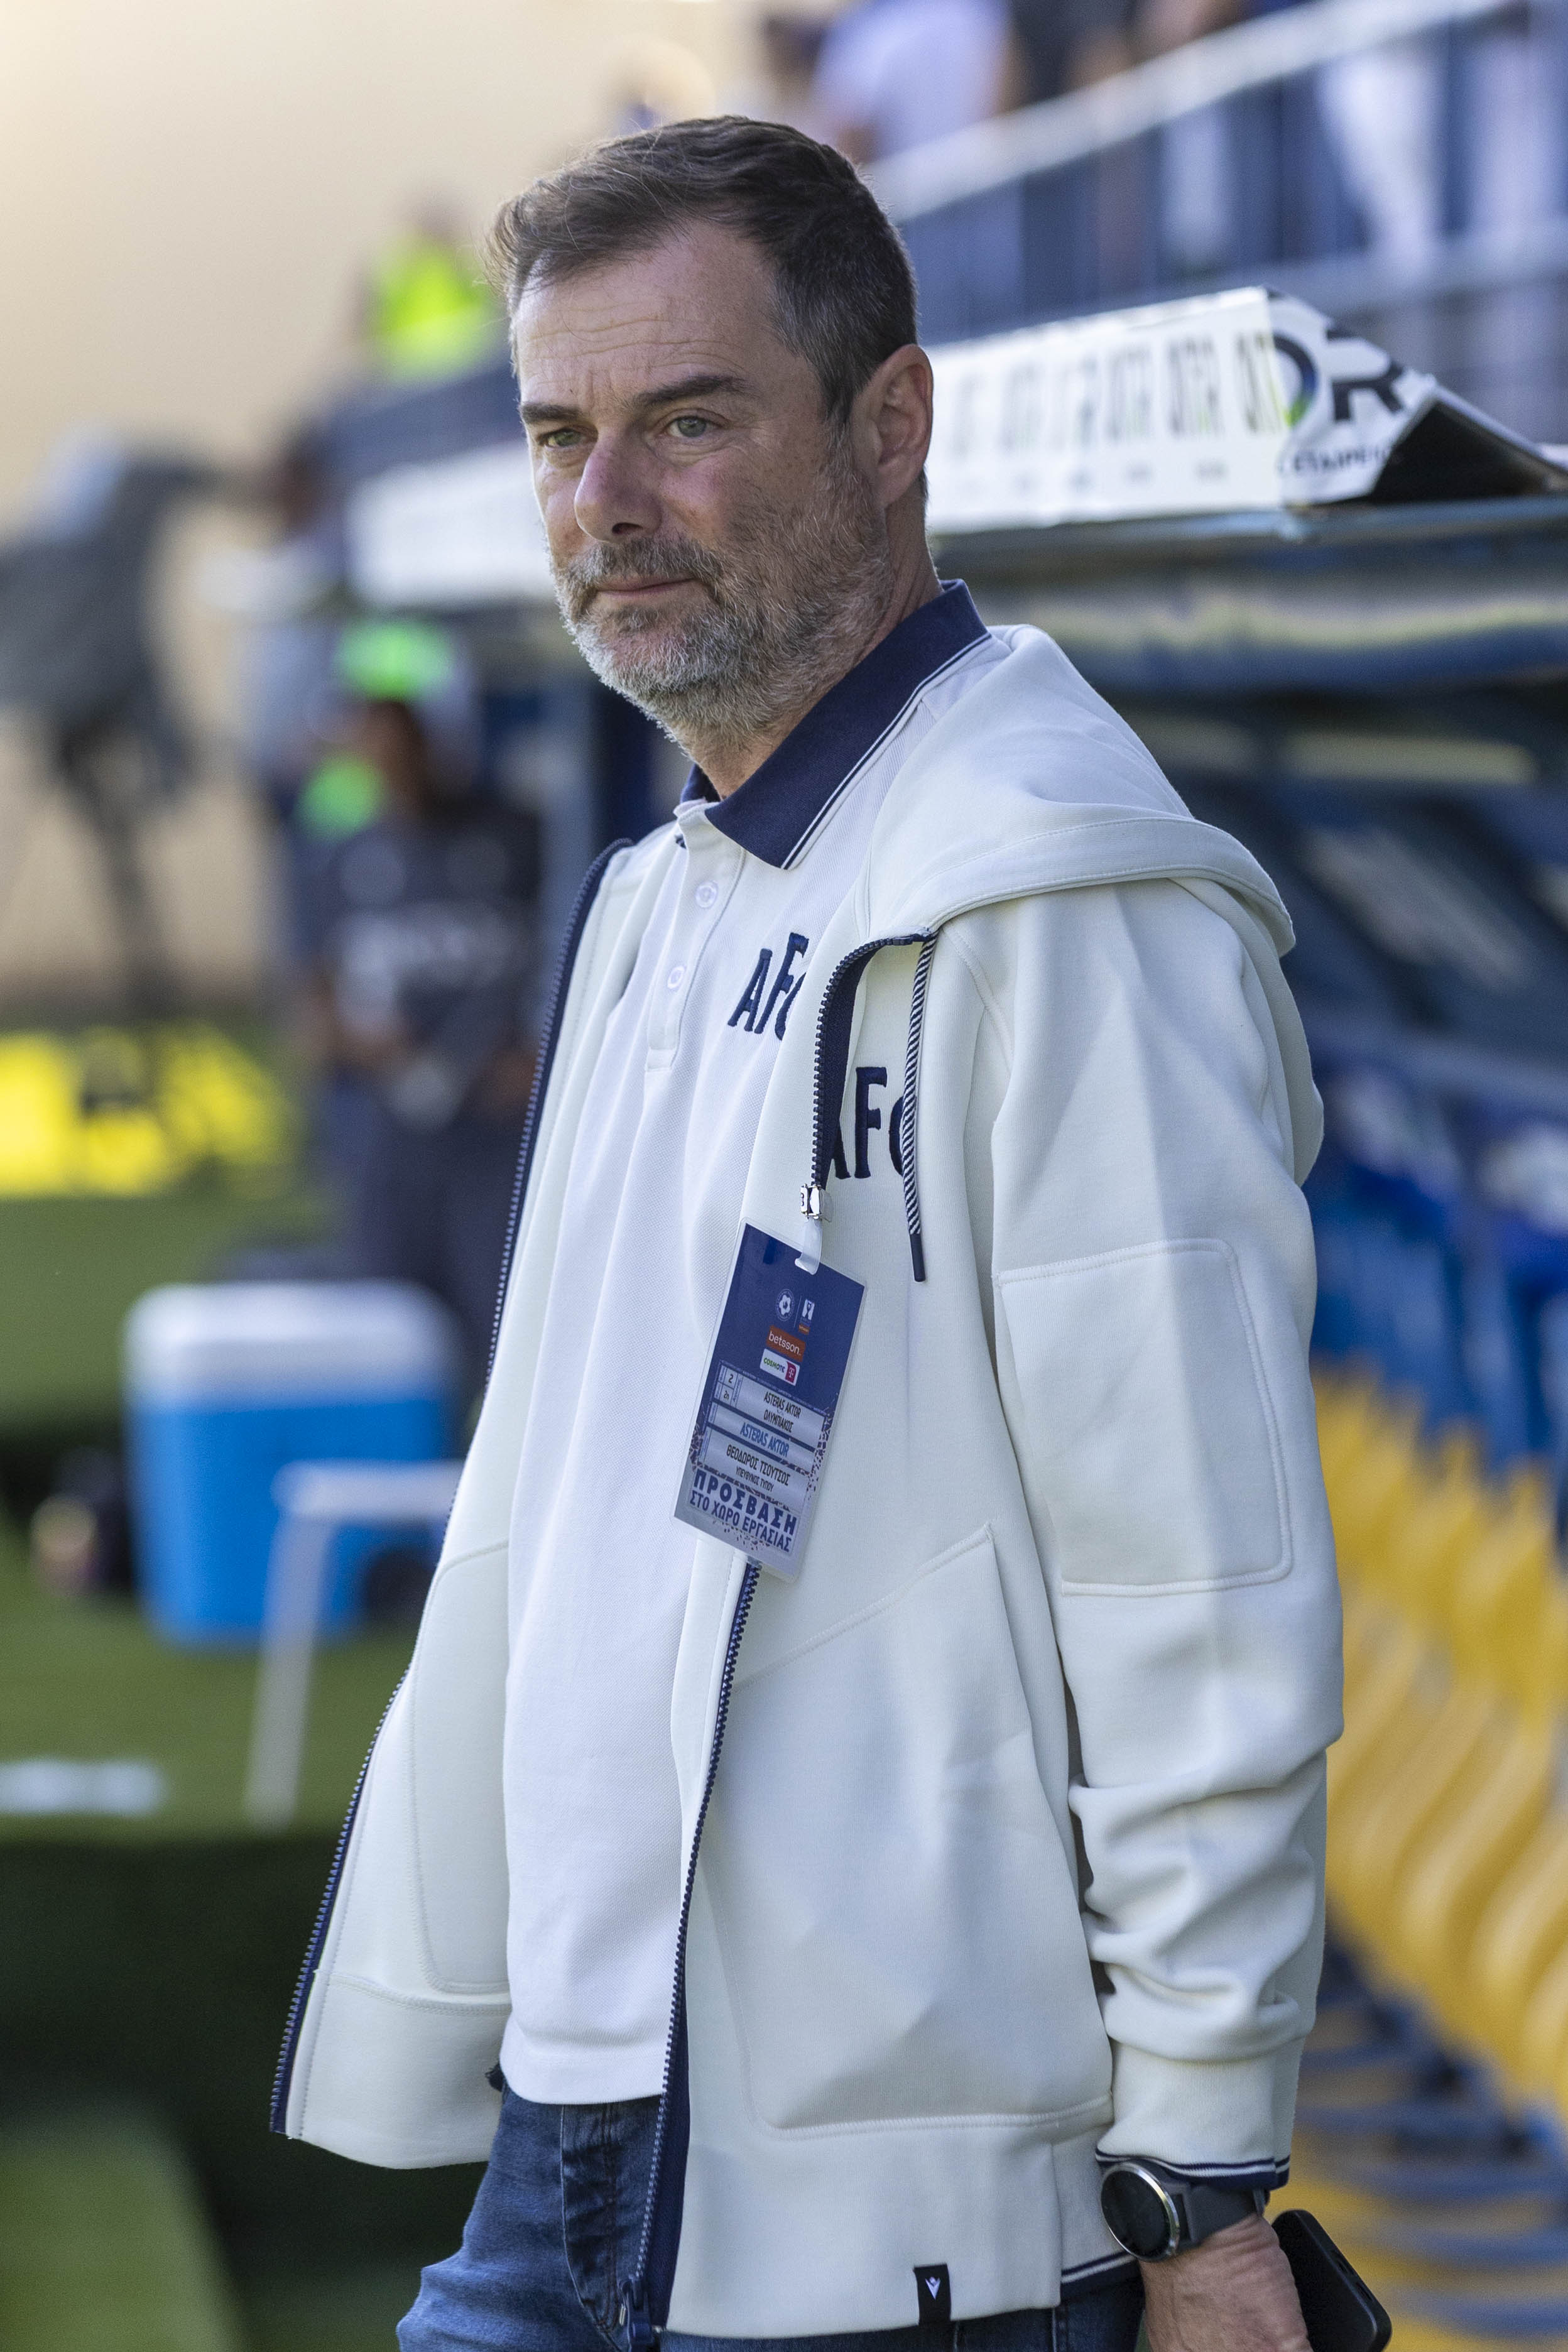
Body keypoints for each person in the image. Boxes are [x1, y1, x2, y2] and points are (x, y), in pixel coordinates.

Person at [273, 118, 1339, 2352]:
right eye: (556, 436)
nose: (603, 502)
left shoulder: (1055, 899)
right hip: (579, 2122)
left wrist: (1200, 2182)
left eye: (686, 421)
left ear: (888, 425)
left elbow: (1191, 1580)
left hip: (905, 2206)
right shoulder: (655, 898)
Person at [296, 692, 541, 1387]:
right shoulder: (337, 863)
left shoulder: (512, 840)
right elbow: (310, 1007)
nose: (394, 764)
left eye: (405, 745)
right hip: (391, 1141)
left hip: (496, 1136)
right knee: (391, 1334)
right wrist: (363, 1043)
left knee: (505, 1323)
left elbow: (566, 952)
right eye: (376, 749)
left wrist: (535, 1058)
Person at [814, 0, 1012, 161]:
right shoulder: (981, 13)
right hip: (976, 181)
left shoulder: (864, 32)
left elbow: (850, 143)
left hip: (902, 193)